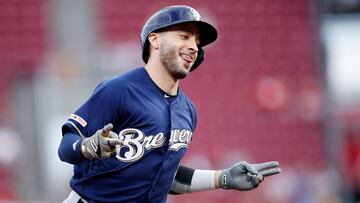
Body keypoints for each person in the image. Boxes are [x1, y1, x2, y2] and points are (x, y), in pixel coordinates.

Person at [58, 5, 281, 203]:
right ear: (154, 40)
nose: (193, 46)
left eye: (197, 42)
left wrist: (222, 178)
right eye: (184, 36)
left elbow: (164, 177)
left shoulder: (188, 111)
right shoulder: (119, 90)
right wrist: (88, 147)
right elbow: (66, 146)